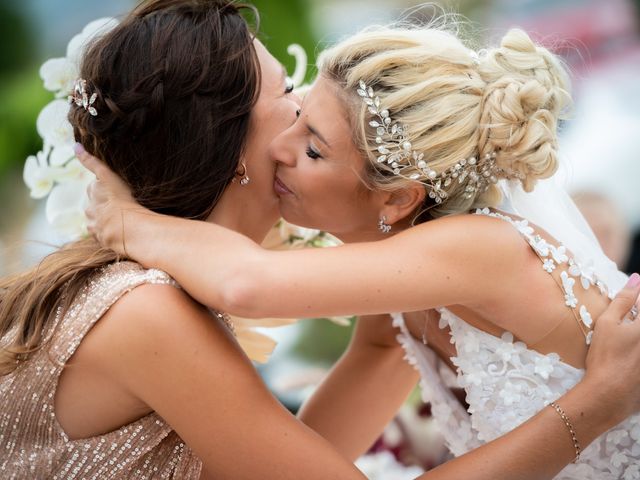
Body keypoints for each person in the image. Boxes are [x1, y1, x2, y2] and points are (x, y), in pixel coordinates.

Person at [79, 21, 640, 479]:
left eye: (315, 149)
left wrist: (127, 223)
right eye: (297, 115)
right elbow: (320, 444)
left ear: (397, 198)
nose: (280, 146)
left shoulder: (480, 247)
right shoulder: (407, 284)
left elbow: (246, 285)